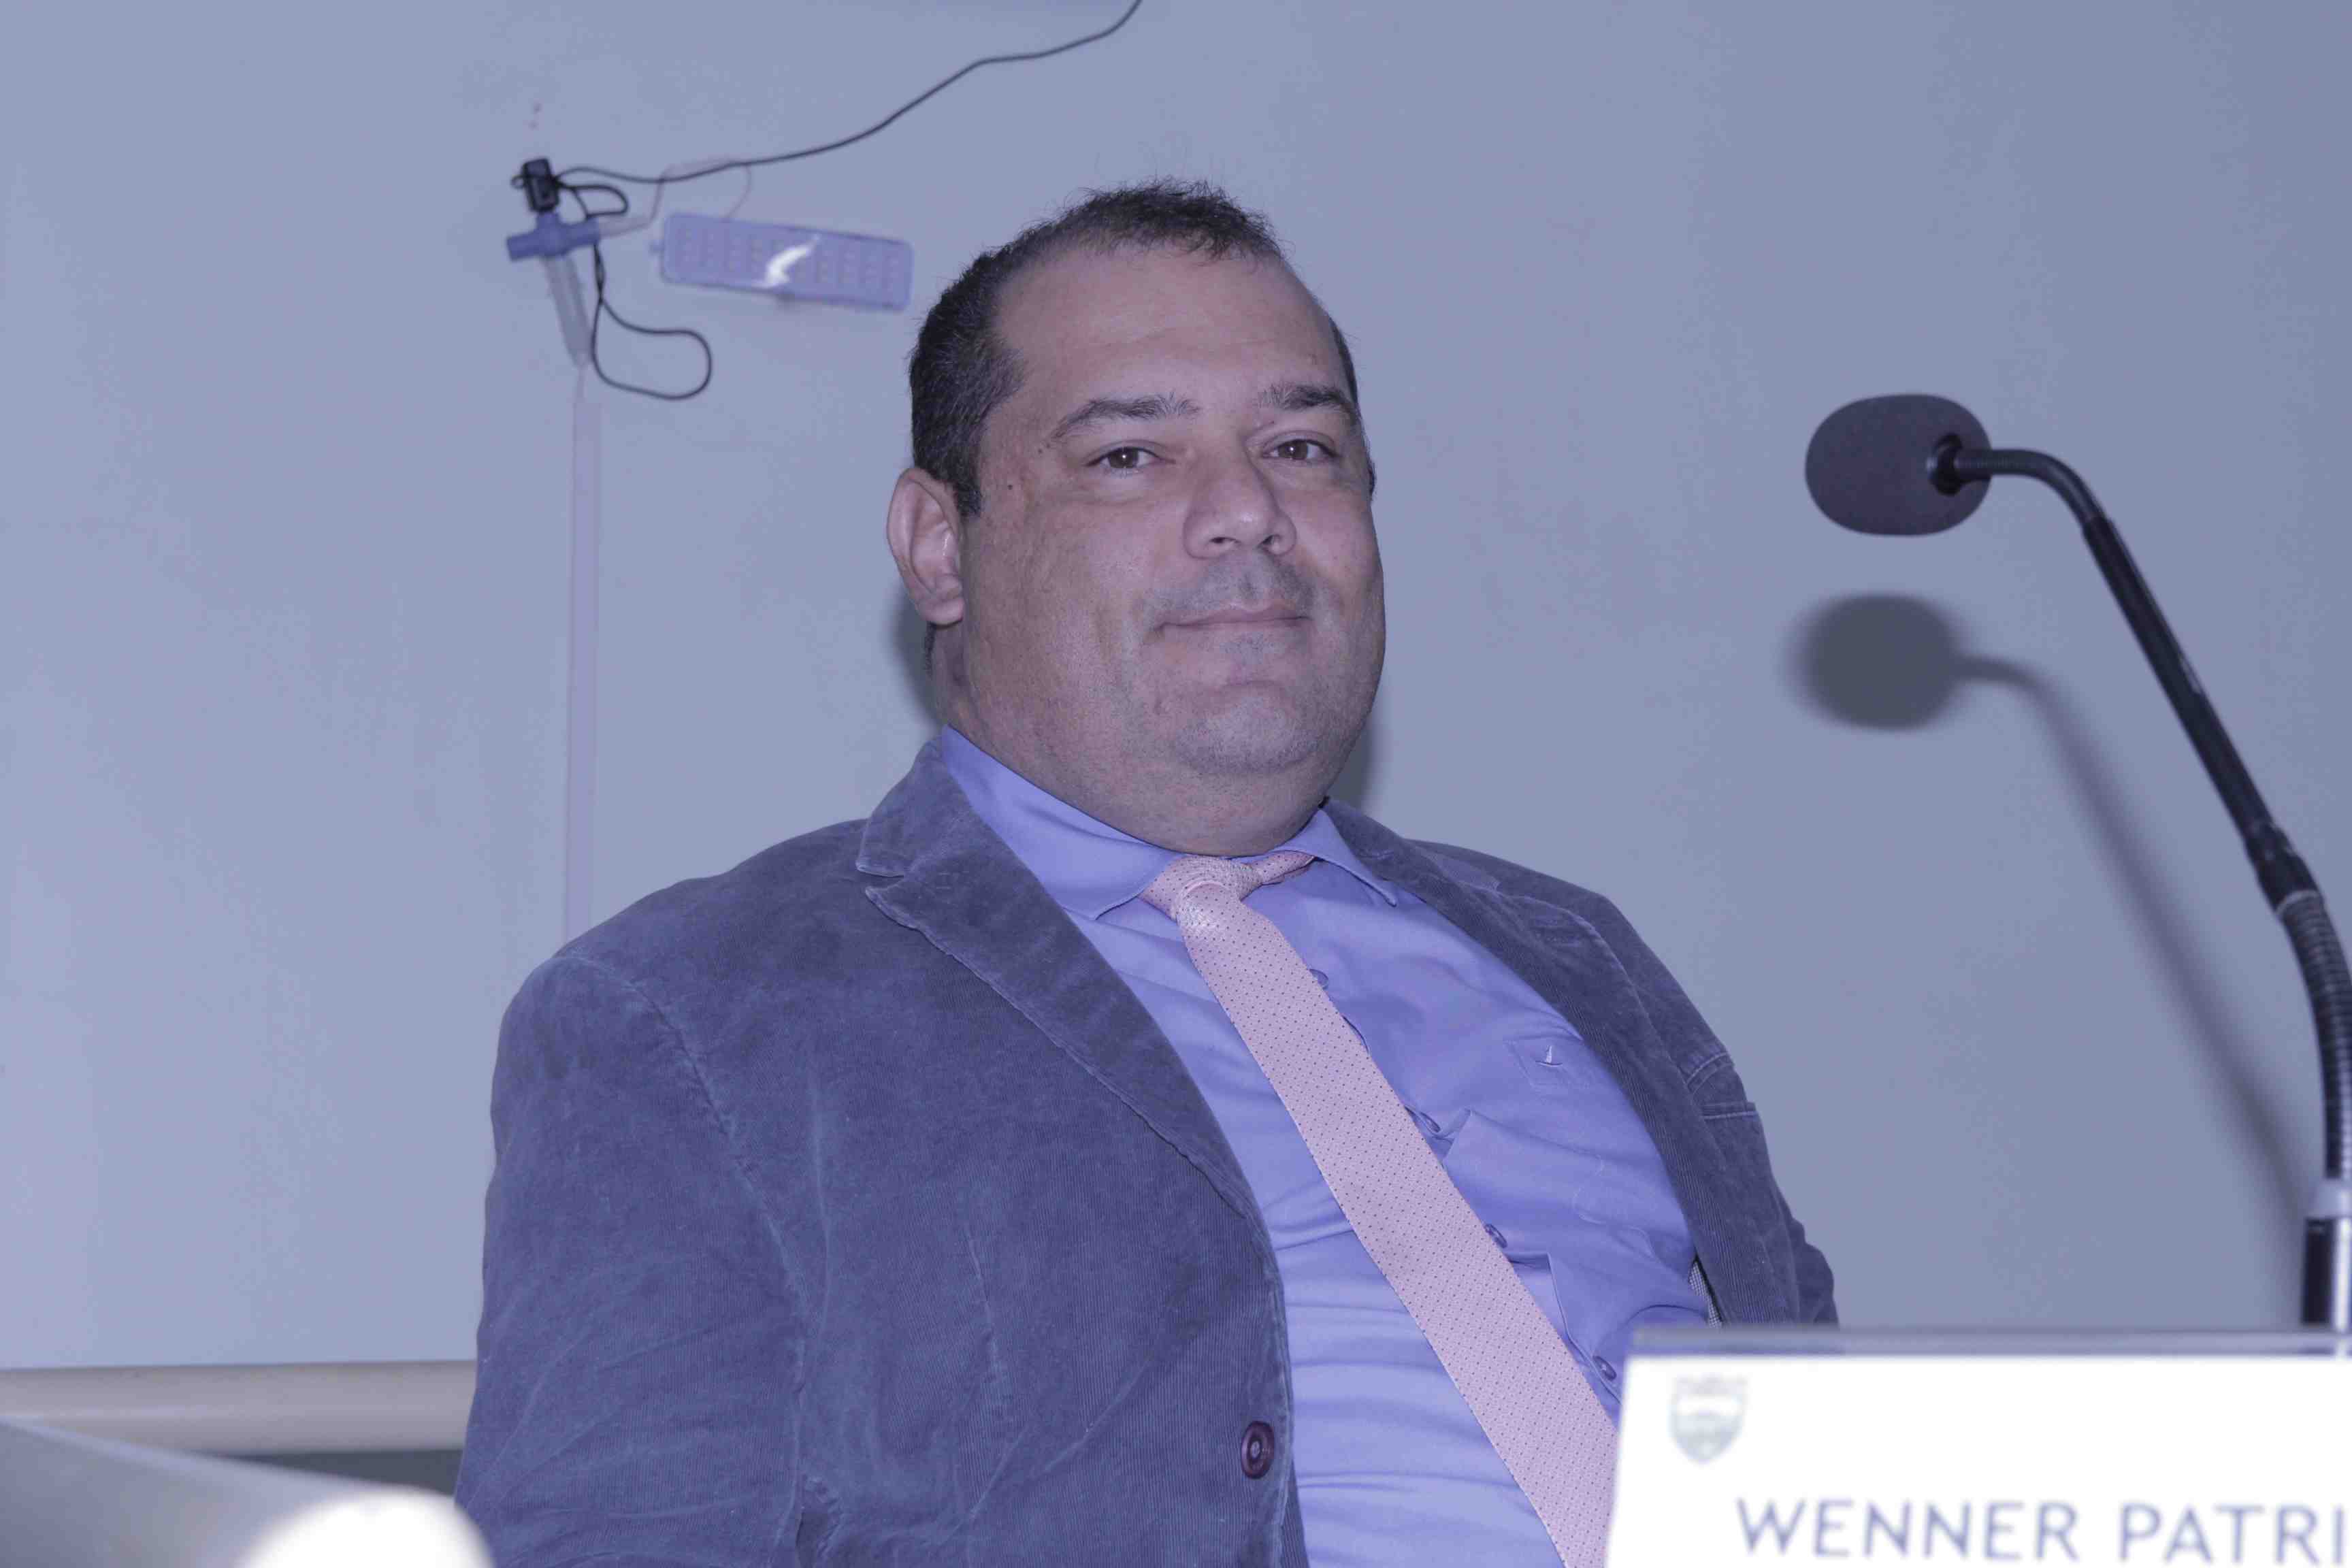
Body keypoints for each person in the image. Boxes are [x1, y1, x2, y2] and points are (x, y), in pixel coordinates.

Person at [456, 180, 1835, 1568]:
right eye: (1130, 457)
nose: (1248, 511)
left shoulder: (1574, 954)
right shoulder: (700, 1015)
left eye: (1302, 447)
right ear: (940, 546)